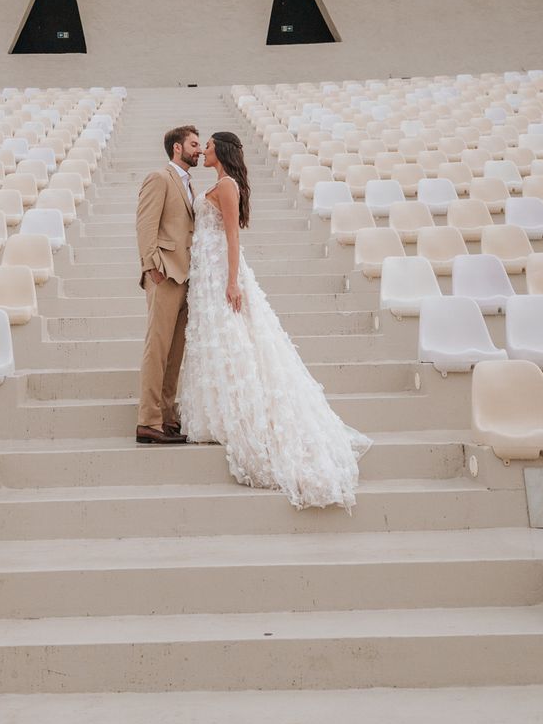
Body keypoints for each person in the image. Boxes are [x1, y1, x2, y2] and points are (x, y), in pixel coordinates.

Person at [177, 130, 369, 508]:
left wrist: (232, 281)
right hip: (206, 270)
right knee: (216, 336)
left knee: (231, 333)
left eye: (210, 147)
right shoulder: (218, 183)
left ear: (223, 152)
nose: (205, 151)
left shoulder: (228, 185)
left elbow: (232, 236)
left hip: (220, 270)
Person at [134, 124, 200, 444]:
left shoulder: (190, 184)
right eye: (194, 143)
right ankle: (148, 420)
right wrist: (151, 268)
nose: (199, 149)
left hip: (186, 276)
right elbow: (145, 225)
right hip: (165, 274)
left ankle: (167, 415)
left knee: (175, 353)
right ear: (177, 147)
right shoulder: (159, 178)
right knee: (157, 350)